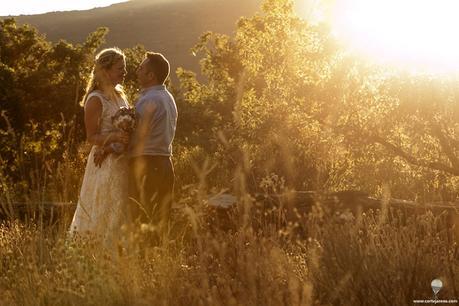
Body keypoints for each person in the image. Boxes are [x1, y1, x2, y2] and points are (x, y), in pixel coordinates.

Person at [69, 47, 130, 248]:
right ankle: (97, 251)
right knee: (104, 207)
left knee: (121, 209)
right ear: (105, 70)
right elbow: (91, 137)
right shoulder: (95, 99)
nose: (124, 72)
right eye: (120, 68)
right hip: (104, 164)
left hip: (122, 160)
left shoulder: (120, 95)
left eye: (125, 68)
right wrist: (115, 137)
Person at [129, 52, 177, 237]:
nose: (137, 70)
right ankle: (157, 259)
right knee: (160, 218)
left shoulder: (149, 101)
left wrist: (113, 146)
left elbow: (136, 137)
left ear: (151, 76)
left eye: (141, 68)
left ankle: (144, 262)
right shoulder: (168, 97)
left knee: (142, 216)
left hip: (147, 164)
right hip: (165, 163)